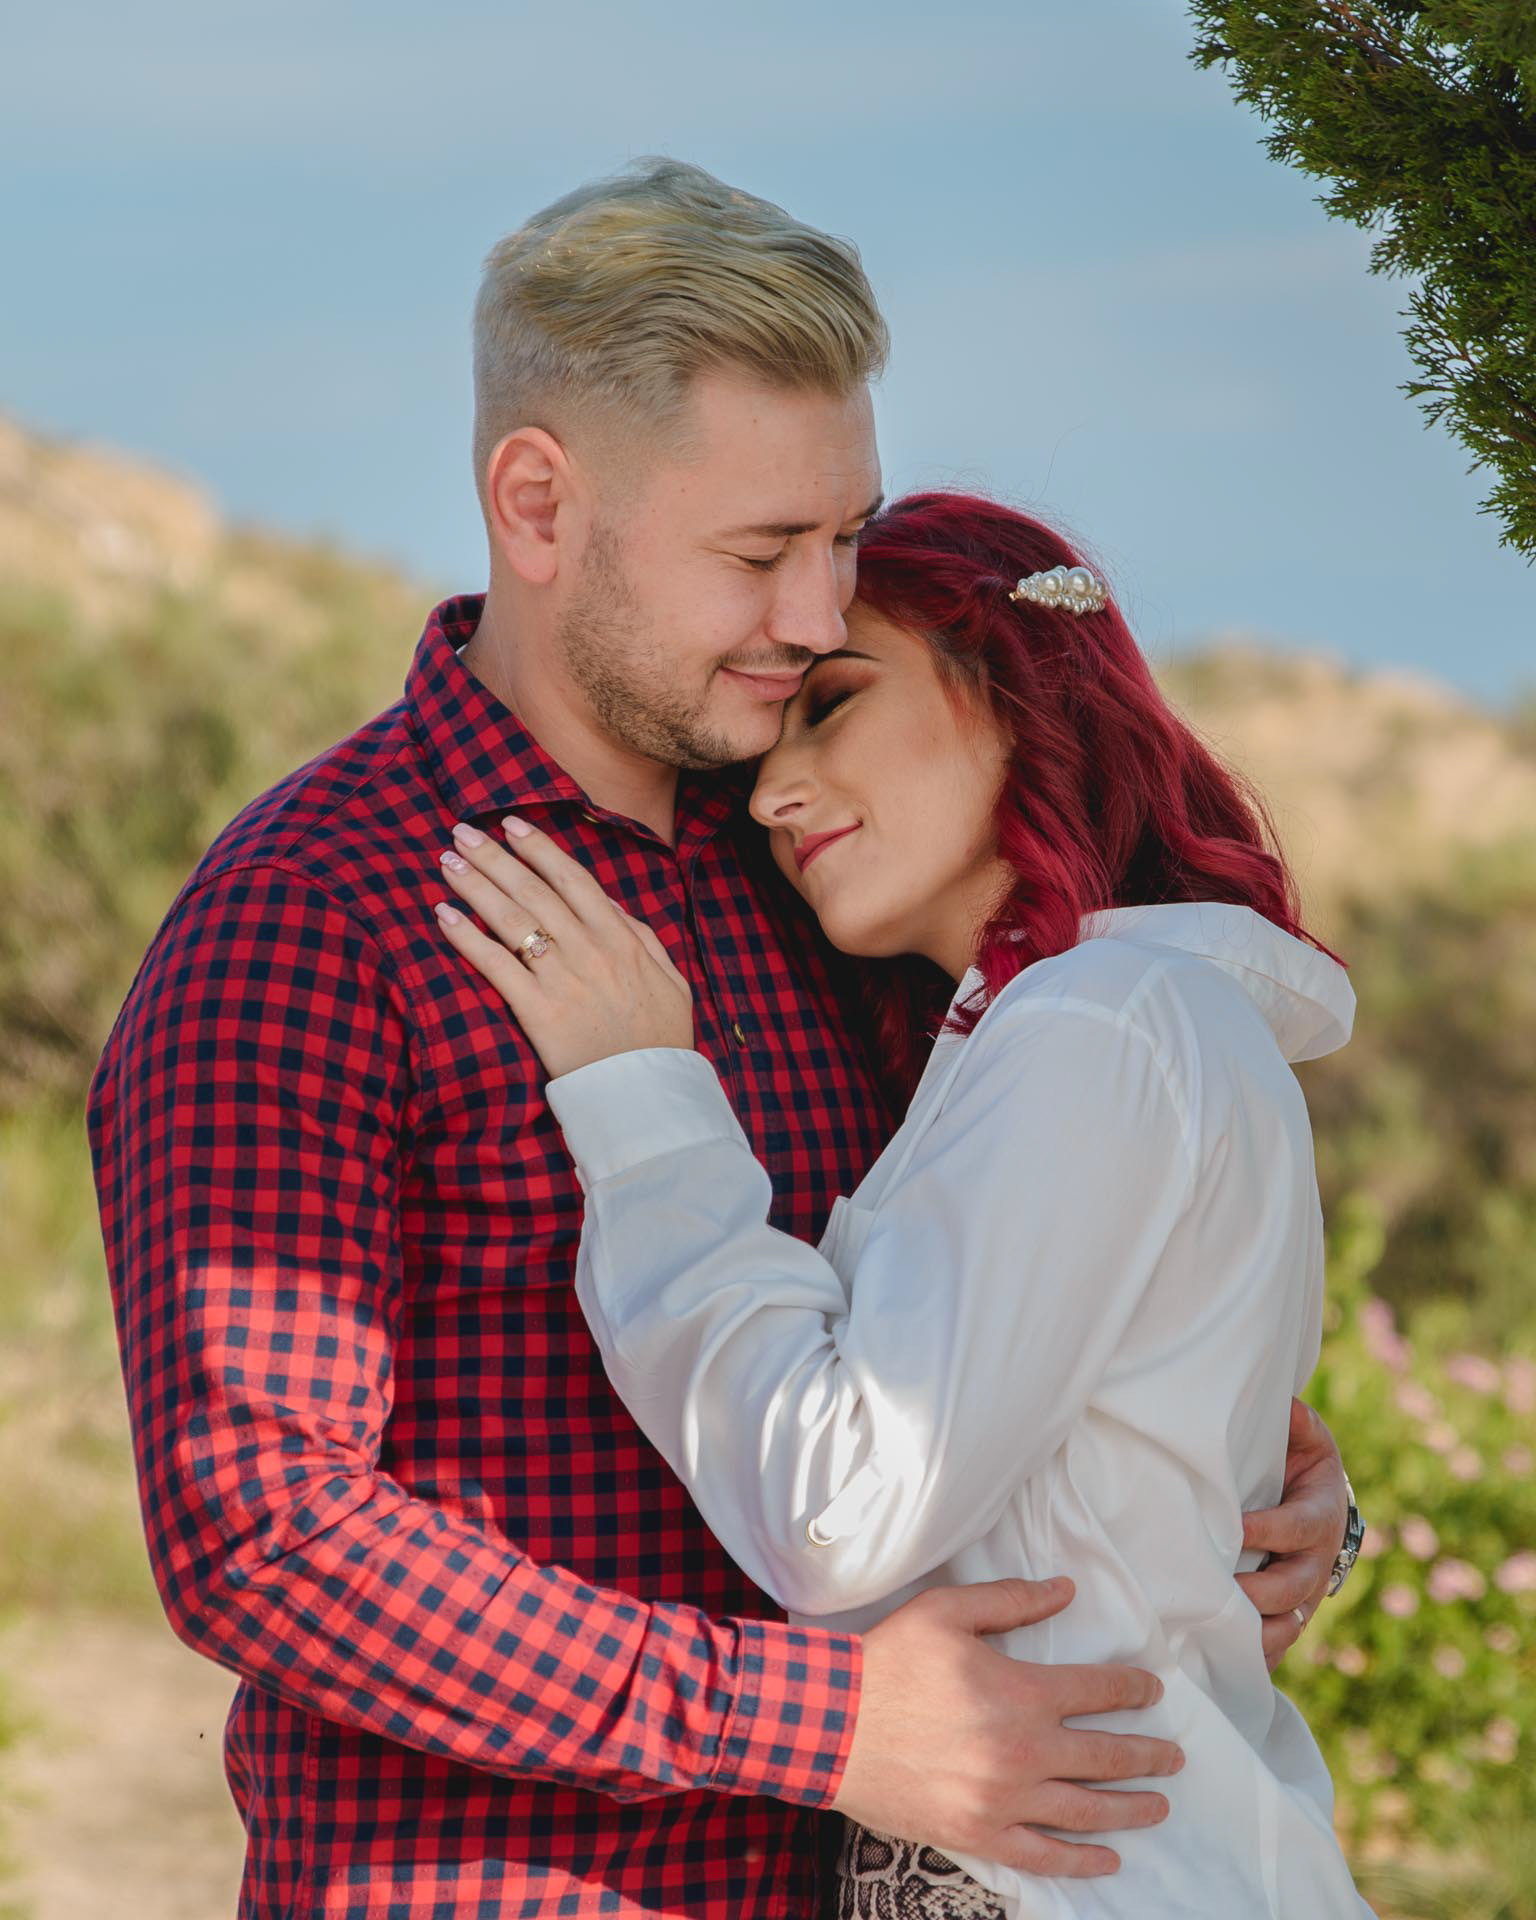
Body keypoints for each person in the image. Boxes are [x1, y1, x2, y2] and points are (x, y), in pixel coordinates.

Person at [86, 161, 1354, 1920]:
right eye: (762, 554)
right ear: (538, 506)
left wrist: (1265, 1490)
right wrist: (822, 1725)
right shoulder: (314, 915)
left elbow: (1007, 1313)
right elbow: (263, 1537)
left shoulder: (829, 897)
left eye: (845, 539)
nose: (822, 612)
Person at [433, 491, 1374, 1917]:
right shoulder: (1064, 1033)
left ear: (1018, 684)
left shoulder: (1103, 1021)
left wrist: (641, 1104)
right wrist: (1289, 1513)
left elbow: (838, 1512)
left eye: (833, 706)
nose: (769, 793)